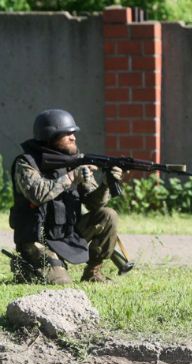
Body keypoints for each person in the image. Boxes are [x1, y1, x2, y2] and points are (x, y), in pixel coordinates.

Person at [9, 109, 123, 284]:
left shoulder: (75, 162)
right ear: (50, 136)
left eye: (74, 133)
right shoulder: (26, 163)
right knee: (61, 284)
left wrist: (106, 184)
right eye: (67, 133)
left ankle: (93, 272)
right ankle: (26, 266)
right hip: (38, 239)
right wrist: (71, 177)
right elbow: (37, 195)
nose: (73, 137)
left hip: (67, 233)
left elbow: (94, 204)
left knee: (108, 215)